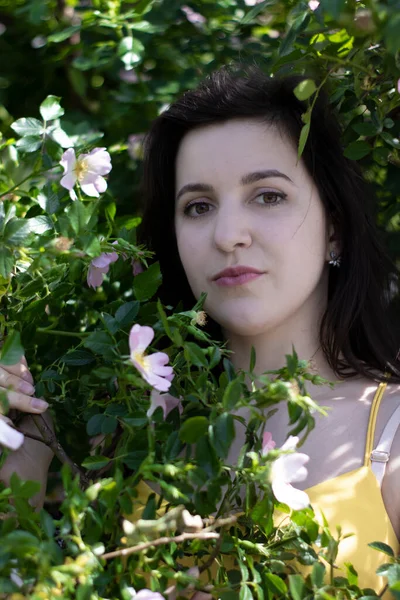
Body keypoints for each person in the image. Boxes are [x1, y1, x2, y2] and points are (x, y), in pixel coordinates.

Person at [137, 65, 400, 592]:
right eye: (198, 207)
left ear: (336, 230)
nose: (228, 234)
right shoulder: (135, 432)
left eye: (268, 196)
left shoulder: (393, 437)